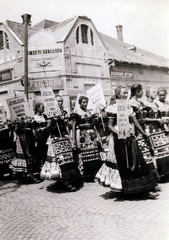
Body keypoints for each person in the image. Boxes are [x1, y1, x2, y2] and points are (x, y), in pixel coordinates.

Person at [108, 85, 158, 199]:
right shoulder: (113, 108)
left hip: (131, 138)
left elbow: (135, 122)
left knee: (138, 162)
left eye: (126, 93)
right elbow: (110, 127)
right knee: (125, 164)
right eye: (123, 93)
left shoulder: (129, 107)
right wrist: (119, 134)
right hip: (120, 141)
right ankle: (131, 190)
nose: (125, 95)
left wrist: (144, 134)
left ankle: (144, 189)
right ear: (117, 95)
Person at [41, 95, 82, 191]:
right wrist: (52, 121)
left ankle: (65, 179)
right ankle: (64, 181)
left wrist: (70, 137)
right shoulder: (48, 114)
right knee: (59, 160)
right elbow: (48, 128)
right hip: (55, 139)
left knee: (67, 160)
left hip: (64, 138)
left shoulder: (64, 113)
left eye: (61, 101)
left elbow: (67, 127)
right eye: (58, 101)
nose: (60, 103)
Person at [129, 84, 161, 182]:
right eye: (141, 91)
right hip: (137, 132)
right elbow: (135, 121)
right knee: (143, 156)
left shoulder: (139, 103)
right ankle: (146, 181)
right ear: (137, 91)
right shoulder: (131, 103)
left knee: (147, 156)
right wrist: (143, 133)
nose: (143, 93)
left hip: (142, 130)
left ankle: (152, 180)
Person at [94, 95, 122, 191]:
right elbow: (109, 125)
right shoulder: (108, 112)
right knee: (112, 157)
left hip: (113, 134)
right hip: (111, 134)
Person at [71, 95, 102, 181]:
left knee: (93, 153)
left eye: (86, 102)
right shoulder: (76, 113)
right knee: (85, 154)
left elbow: (94, 124)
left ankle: (94, 173)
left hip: (91, 135)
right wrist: (73, 140)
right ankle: (86, 174)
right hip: (82, 135)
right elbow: (73, 126)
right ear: (79, 103)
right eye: (83, 102)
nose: (85, 104)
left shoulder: (89, 112)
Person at [144, 87, 169, 178]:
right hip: (150, 129)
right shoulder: (146, 104)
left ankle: (164, 172)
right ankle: (156, 174)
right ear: (148, 94)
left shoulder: (154, 105)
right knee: (154, 152)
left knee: (163, 150)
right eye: (154, 92)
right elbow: (143, 119)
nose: (156, 94)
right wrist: (158, 120)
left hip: (159, 128)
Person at [10, 116, 39, 183]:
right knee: (24, 156)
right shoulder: (17, 121)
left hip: (28, 139)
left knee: (30, 155)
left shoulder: (28, 118)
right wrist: (21, 123)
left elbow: (33, 127)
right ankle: (27, 175)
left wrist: (31, 122)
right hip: (22, 140)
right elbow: (17, 130)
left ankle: (30, 174)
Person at [32, 102, 49, 173]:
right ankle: (42, 169)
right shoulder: (34, 118)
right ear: (38, 109)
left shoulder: (44, 116)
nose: (44, 109)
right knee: (41, 152)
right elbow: (34, 130)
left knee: (47, 151)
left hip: (46, 136)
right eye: (42, 108)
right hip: (40, 137)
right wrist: (35, 139)